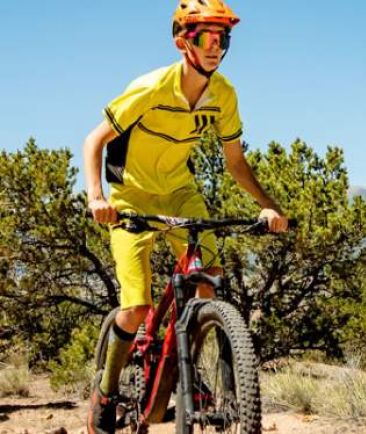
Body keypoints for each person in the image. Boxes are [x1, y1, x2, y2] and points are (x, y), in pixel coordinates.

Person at [84, 1, 288, 432]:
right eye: (206, 38)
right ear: (183, 43)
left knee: (208, 274)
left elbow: (235, 162)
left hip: (180, 191)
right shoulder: (152, 88)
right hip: (130, 194)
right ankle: (105, 391)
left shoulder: (224, 95)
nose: (216, 47)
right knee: (136, 307)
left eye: (223, 39)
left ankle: (190, 375)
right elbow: (94, 140)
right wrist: (96, 197)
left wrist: (268, 205)